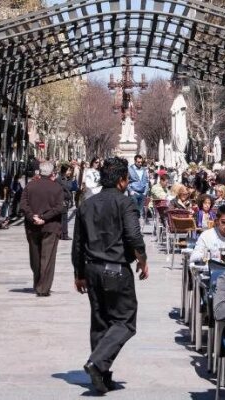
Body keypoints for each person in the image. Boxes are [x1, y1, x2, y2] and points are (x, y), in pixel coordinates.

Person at [72, 156, 149, 394]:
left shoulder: (86, 204)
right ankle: (97, 363)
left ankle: (101, 377)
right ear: (123, 181)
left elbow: (78, 243)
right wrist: (142, 259)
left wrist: (79, 273)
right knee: (125, 320)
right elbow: (133, 235)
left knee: (100, 322)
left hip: (92, 268)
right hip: (116, 268)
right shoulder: (125, 204)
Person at [20, 161, 63, 297]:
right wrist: (44, 217)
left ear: (39, 171)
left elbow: (23, 205)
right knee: (47, 258)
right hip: (50, 226)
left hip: (32, 227)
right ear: (52, 173)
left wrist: (33, 217)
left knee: (35, 257)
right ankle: (43, 288)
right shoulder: (57, 188)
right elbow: (58, 208)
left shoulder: (30, 186)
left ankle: (38, 282)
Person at [55, 164, 73, 240]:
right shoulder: (59, 179)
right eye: (69, 170)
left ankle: (63, 234)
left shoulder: (69, 179)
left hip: (67, 200)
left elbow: (70, 188)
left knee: (64, 217)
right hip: (61, 200)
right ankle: (63, 234)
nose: (70, 171)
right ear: (64, 171)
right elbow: (57, 190)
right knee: (63, 217)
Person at [128, 154, 149, 219]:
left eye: (141, 162)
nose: (140, 163)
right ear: (135, 161)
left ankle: (139, 226)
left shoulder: (144, 170)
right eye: (138, 162)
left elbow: (147, 182)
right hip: (134, 193)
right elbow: (126, 181)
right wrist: (131, 191)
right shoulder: (129, 169)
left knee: (140, 212)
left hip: (142, 193)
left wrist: (145, 192)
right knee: (134, 211)